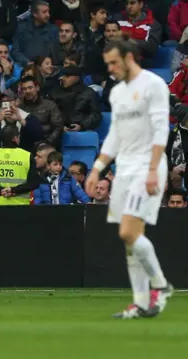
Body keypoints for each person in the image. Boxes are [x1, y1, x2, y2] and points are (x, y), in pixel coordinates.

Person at [85, 40, 173, 319]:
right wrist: (98, 167)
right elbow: (115, 136)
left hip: (148, 166)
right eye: (107, 64)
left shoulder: (154, 84)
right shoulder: (118, 93)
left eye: (114, 62)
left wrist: (152, 169)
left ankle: (161, 285)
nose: (110, 69)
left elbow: (161, 129)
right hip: (124, 168)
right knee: (132, 240)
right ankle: (141, 302)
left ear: (129, 57)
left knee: (127, 231)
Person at [0, 126, 39, 205]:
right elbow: (34, 183)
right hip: (20, 206)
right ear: (15, 138)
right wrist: (13, 190)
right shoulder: (27, 156)